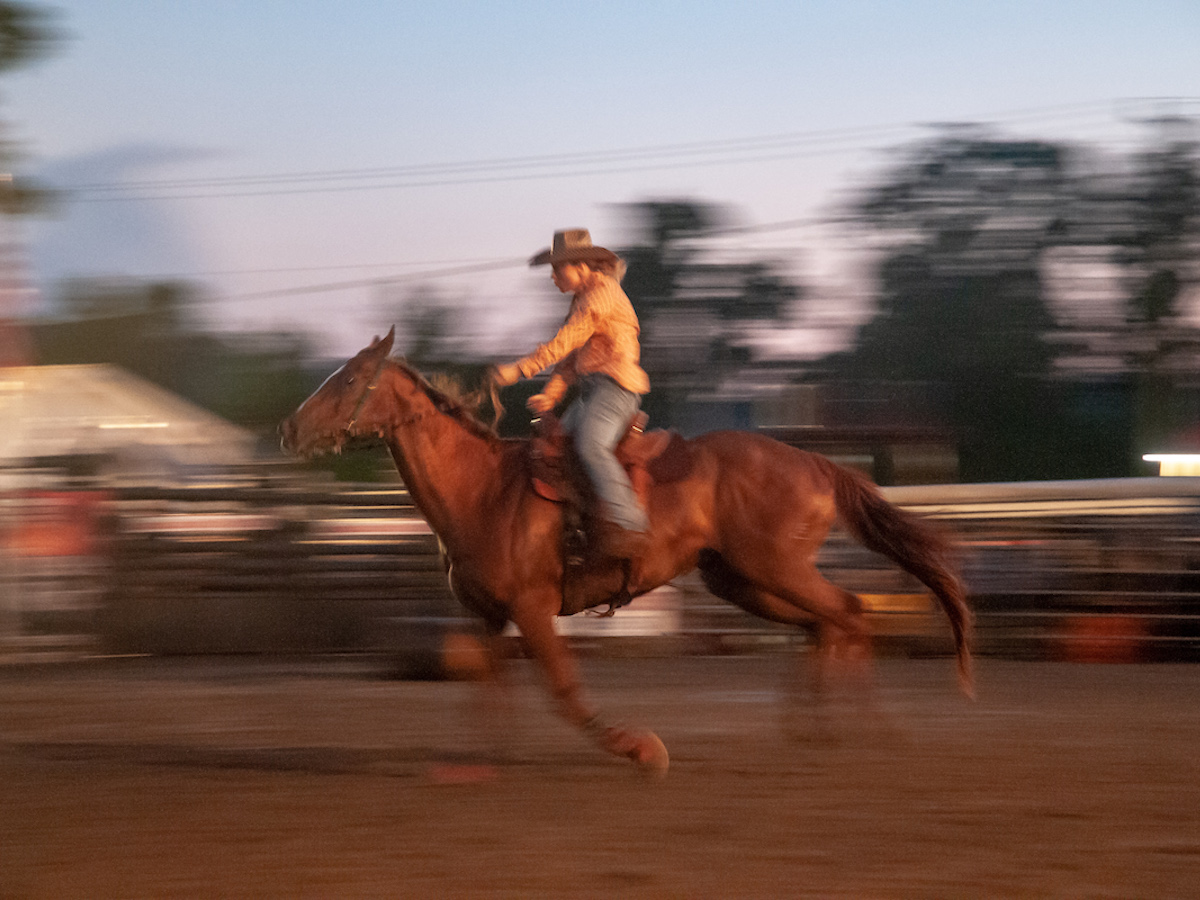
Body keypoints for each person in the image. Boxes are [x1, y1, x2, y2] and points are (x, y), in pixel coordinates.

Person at [493, 229, 650, 560]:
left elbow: (565, 341)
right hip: (594, 393)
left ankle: (631, 525)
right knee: (557, 447)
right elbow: (569, 359)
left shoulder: (601, 296)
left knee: (591, 447)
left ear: (579, 265)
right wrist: (551, 395)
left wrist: (519, 370)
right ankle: (579, 523)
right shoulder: (584, 300)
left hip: (616, 390)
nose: (552, 278)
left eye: (556, 269)